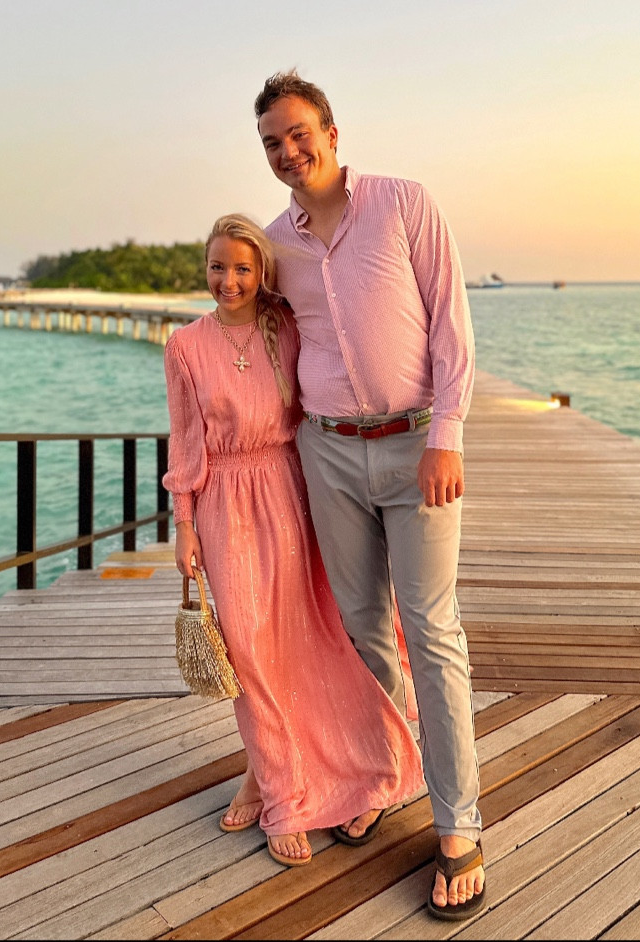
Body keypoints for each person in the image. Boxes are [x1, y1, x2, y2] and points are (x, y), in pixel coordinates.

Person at [257, 71, 486, 920]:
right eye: (272, 143)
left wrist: (446, 435)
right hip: (326, 452)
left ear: (332, 132)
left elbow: (450, 325)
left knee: (431, 630)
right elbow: (264, 338)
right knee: (361, 629)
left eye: (298, 133)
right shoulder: (277, 243)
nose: (288, 152)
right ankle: (380, 774)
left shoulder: (402, 204)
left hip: (414, 445)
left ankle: (459, 824)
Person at [163, 213, 424, 868]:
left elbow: (349, 349)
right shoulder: (186, 345)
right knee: (249, 647)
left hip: (295, 489)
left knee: (310, 639)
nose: (229, 280)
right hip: (225, 503)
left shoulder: (284, 328)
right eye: (218, 266)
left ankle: (273, 774)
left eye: (243, 268)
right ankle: (282, 792)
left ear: (262, 274)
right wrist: (184, 523)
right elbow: (185, 441)